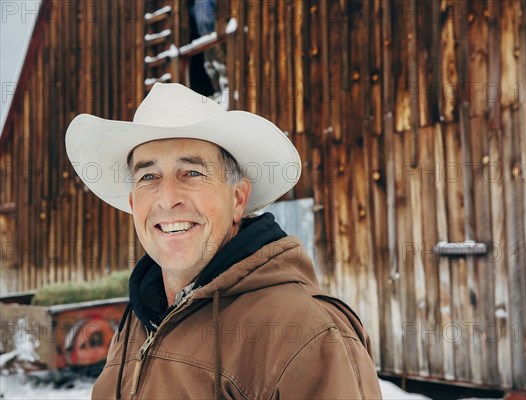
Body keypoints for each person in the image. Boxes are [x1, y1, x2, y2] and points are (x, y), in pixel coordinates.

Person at [65, 83, 382, 399]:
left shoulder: (308, 335)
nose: (167, 199)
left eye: (191, 173)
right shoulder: (139, 320)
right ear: (134, 205)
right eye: (149, 176)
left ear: (238, 198)